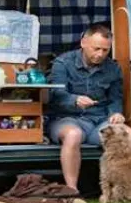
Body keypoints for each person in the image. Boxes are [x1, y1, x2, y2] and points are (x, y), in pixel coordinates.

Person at [45, 23, 125, 190]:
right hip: (67, 119)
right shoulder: (62, 63)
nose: (100, 54)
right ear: (83, 43)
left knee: (125, 133)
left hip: (99, 121)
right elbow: (54, 95)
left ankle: (120, 189)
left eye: (105, 50)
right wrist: (74, 99)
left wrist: (116, 113)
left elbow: (115, 98)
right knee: (73, 135)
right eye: (96, 49)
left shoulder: (113, 68)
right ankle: (72, 190)